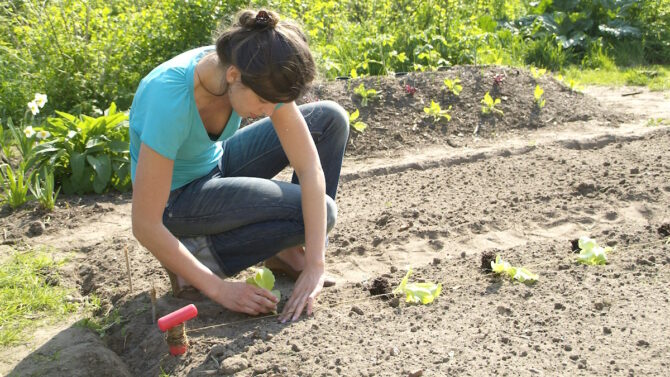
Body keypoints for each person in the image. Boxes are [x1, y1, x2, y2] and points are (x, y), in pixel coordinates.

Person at [129, 9, 349, 323]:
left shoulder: (252, 68)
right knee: (321, 212)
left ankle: (289, 249)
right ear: (233, 76)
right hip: (177, 201)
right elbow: (145, 224)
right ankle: (197, 262)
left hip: (215, 163)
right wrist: (220, 289)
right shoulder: (170, 100)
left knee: (330, 120)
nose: (274, 111)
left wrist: (315, 262)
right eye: (266, 102)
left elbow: (310, 166)